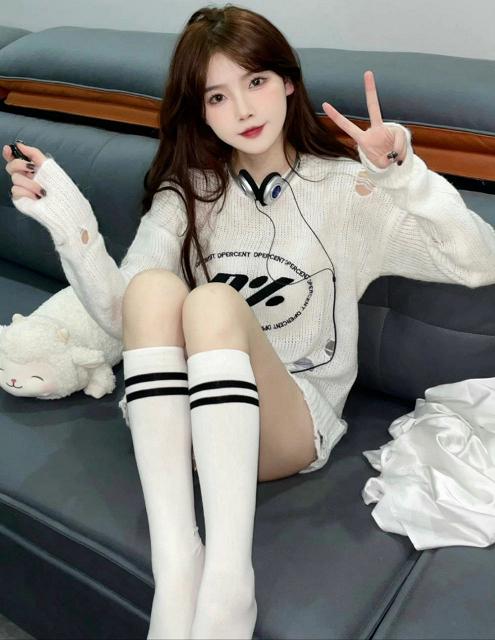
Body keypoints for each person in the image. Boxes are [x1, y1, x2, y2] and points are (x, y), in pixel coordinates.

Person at [3, 5, 495, 640]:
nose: (242, 109)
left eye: (256, 81)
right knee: (153, 287)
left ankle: (230, 581)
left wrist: (403, 177)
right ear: (201, 112)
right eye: (217, 95)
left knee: (211, 303)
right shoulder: (187, 192)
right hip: (179, 418)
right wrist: (72, 224)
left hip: (288, 422)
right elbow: (126, 319)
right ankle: (179, 565)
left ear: (287, 82)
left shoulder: (350, 191)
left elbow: (477, 263)